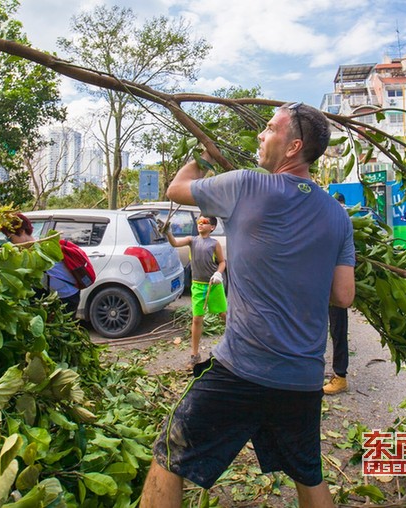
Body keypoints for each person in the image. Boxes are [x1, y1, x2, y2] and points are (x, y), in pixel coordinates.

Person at [140, 102, 355, 508]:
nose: (260, 134)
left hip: (242, 369)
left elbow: (176, 189)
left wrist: (203, 155)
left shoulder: (247, 185)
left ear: (293, 147)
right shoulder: (337, 215)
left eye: (270, 129)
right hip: (304, 377)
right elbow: (343, 295)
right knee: (308, 474)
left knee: (169, 454)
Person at [165, 215, 227, 368]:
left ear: (212, 227)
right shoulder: (191, 240)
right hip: (198, 286)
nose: (200, 224)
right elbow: (174, 243)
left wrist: (218, 273)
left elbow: (222, 262)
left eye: (204, 222)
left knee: (224, 315)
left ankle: (234, 343)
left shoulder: (215, 244)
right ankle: (194, 354)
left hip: (214, 286)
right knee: (197, 319)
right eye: (199, 221)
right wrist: (168, 232)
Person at [1, 213, 80, 314]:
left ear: (22, 231)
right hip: (55, 295)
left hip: (67, 296)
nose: (10, 242)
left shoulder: (41, 251)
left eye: (10, 238)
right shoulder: (33, 249)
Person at [325, 193, 350, 395]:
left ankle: (340, 376)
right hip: (322, 282)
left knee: (337, 329)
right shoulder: (331, 216)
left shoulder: (340, 218)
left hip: (333, 284)